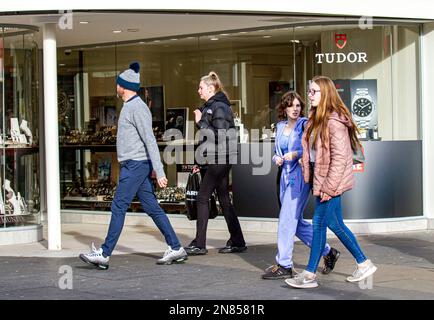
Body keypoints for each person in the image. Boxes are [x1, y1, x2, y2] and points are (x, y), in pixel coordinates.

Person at [79, 62, 187, 269]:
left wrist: (161, 170)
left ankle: (104, 253)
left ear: (124, 86)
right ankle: (175, 247)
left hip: (135, 166)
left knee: (118, 205)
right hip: (134, 165)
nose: (116, 85)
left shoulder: (138, 108)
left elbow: (150, 140)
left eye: (118, 83)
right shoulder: (129, 106)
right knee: (152, 207)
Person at [285, 75, 377, 289]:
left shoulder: (334, 121)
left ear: (325, 93)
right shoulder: (316, 117)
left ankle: (309, 274)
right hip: (321, 178)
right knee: (335, 223)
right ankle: (363, 263)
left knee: (318, 224)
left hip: (330, 181)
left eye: (313, 91)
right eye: (309, 91)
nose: (309, 95)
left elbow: (341, 158)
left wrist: (329, 187)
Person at [262, 91, 340, 280]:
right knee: (295, 224)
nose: (295, 109)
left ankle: (284, 264)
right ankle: (328, 252)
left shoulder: (305, 124)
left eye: (298, 105)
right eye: (291, 105)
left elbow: (310, 148)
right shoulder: (279, 127)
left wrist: (295, 155)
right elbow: (275, 151)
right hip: (284, 176)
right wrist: (276, 158)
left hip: (300, 176)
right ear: (285, 108)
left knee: (286, 220)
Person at [185, 71, 246, 255]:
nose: (198, 91)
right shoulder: (214, 106)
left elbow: (219, 135)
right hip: (218, 157)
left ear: (211, 88)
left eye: (201, 88)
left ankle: (199, 244)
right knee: (224, 199)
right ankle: (237, 241)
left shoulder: (218, 107)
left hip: (220, 158)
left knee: (202, 197)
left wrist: (200, 123)